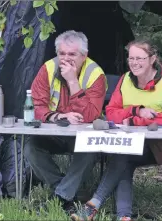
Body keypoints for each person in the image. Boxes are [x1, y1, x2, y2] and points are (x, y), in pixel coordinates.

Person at [70, 39, 162, 221]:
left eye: (140, 58)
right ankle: (124, 217)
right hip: (126, 143)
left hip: (159, 146)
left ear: (152, 58)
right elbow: (111, 112)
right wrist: (136, 111)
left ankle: (93, 205)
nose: (134, 63)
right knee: (124, 157)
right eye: (131, 58)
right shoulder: (124, 79)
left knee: (122, 155)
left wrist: (134, 121)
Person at [24, 30, 107, 210]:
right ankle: (66, 192)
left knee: (90, 150)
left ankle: (60, 198)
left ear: (84, 56)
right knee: (31, 148)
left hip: (82, 136)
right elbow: (35, 106)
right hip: (55, 132)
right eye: (62, 53)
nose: (66, 59)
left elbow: (91, 114)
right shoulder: (48, 68)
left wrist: (73, 82)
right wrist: (57, 116)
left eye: (72, 54)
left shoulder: (95, 74)